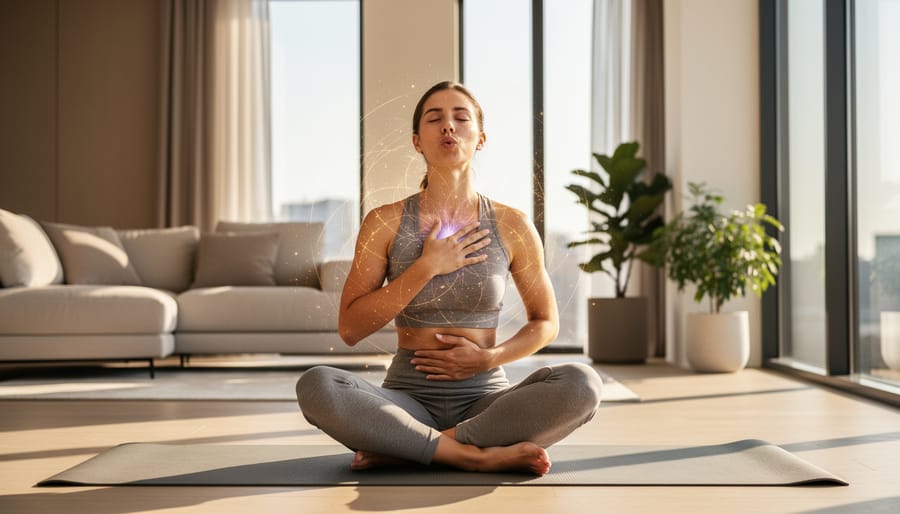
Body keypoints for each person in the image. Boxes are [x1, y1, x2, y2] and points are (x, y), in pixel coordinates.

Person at [296, 81, 602, 475]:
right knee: (318, 384)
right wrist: (426, 266)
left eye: (461, 117)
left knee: (582, 383)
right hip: (407, 398)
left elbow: (546, 322)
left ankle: (411, 445)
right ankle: (474, 455)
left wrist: (487, 359)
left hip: (486, 400)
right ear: (416, 141)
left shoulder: (512, 225)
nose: (448, 127)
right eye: (434, 118)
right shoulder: (385, 222)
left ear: (481, 139)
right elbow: (351, 327)